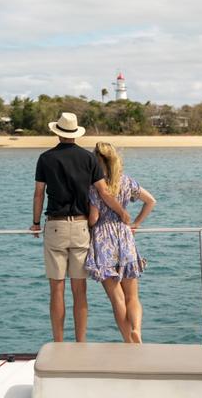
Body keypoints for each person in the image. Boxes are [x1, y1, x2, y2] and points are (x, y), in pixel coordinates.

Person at [29, 112, 131, 342]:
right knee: (79, 290)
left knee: (56, 290)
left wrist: (36, 223)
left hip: (55, 227)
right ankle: (80, 342)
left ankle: (58, 342)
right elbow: (104, 192)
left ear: (57, 132)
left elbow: (38, 194)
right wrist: (122, 213)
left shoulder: (45, 158)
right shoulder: (89, 159)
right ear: (75, 133)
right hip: (81, 227)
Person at [85, 141, 156, 343]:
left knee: (117, 298)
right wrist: (136, 223)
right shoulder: (126, 181)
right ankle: (137, 331)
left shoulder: (95, 186)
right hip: (124, 237)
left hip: (103, 240)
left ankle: (128, 341)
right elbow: (151, 201)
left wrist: (89, 225)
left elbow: (94, 218)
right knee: (132, 297)